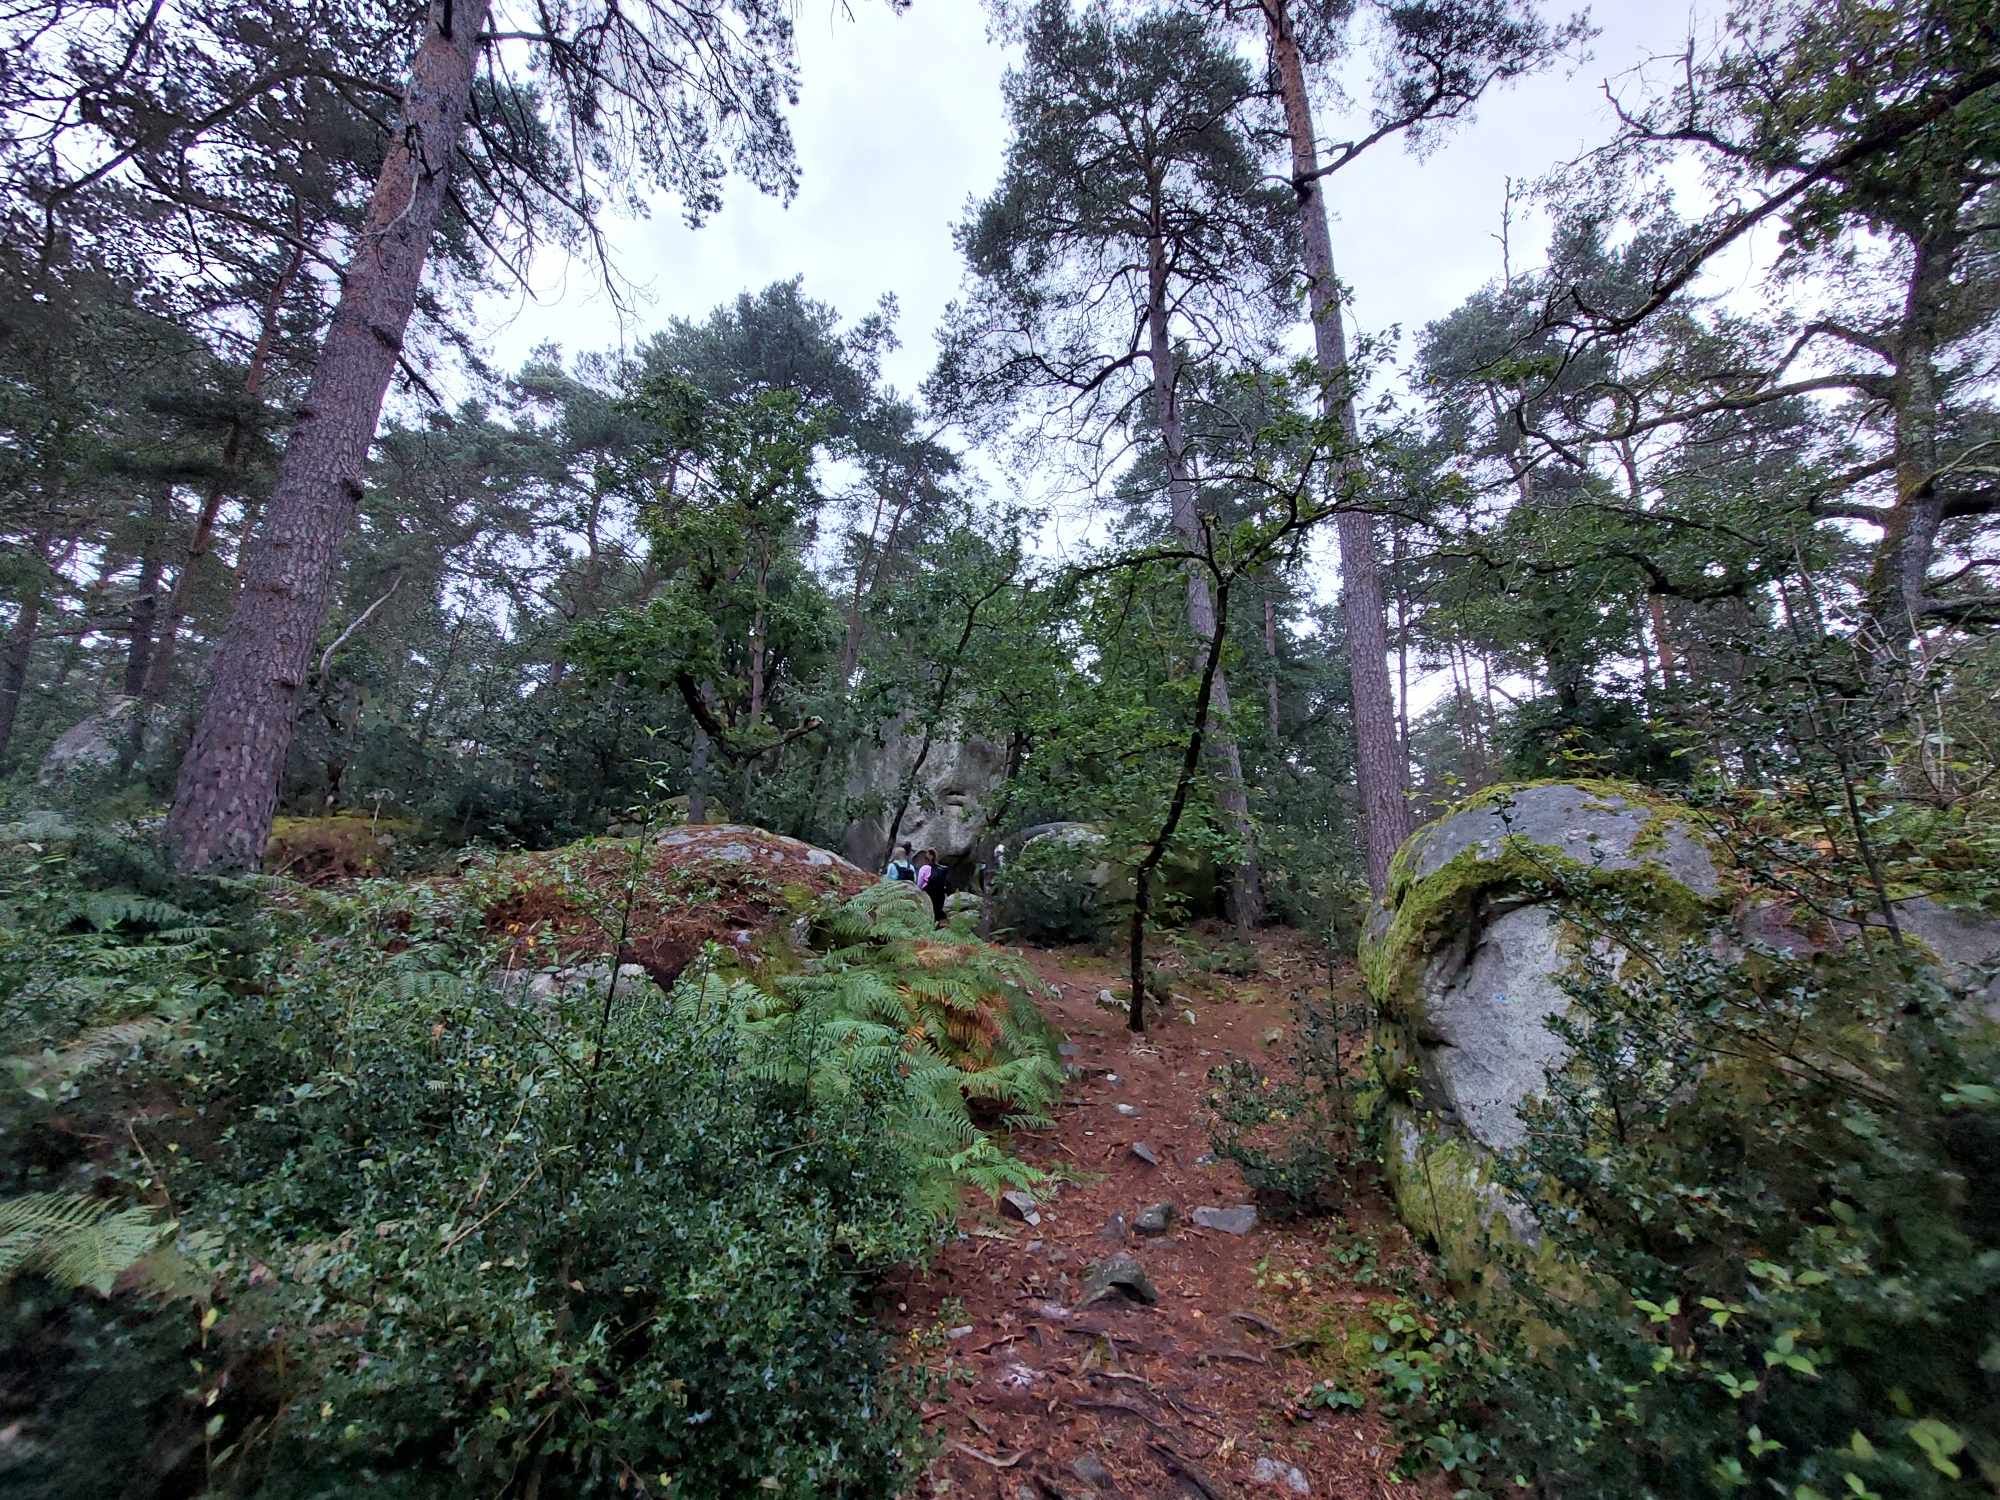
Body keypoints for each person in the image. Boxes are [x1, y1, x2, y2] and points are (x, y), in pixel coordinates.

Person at [916, 848, 948, 923]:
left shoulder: (924, 868)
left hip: (929, 895)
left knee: (928, 916)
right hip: (940, 896)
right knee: (937, 915)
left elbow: (919, 885)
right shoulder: (942, 869)